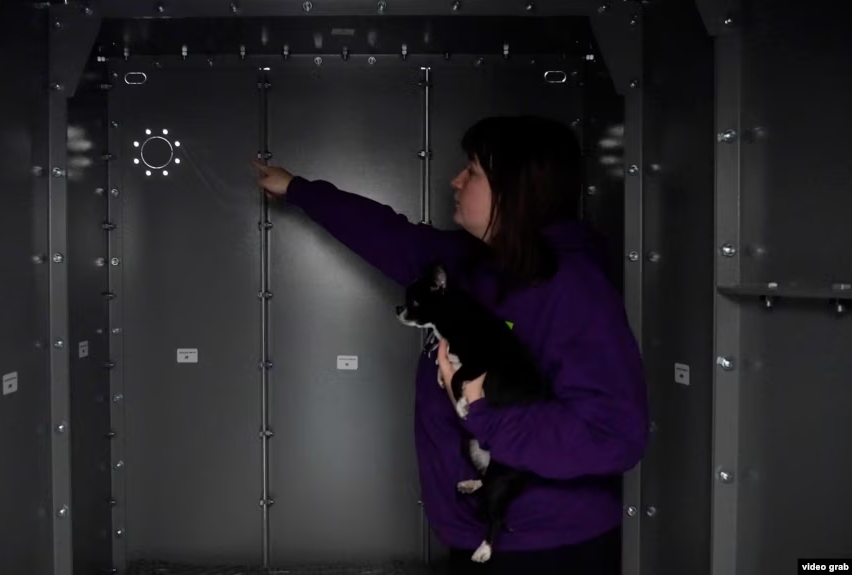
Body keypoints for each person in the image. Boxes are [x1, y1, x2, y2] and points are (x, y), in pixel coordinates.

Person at [251, 115, 648, 574]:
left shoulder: (572, 289)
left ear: (516, 189)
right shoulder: (470, 263)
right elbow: (389, 236)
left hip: (548, 547)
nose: (455, 181)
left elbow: (613, 434)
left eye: (472, 171)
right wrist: (297, 189)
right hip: (478, 531)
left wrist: (486, 416)